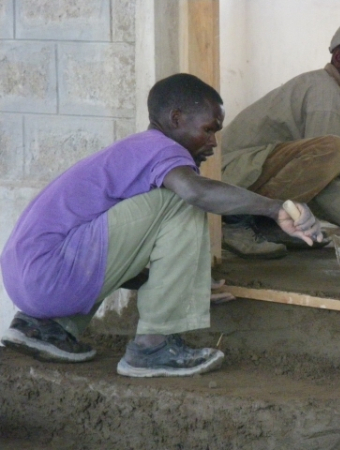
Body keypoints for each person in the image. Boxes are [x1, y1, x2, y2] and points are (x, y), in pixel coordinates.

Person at [0, 73, 322, 378]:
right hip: (51, 273)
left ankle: (47, 329)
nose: (213, 142)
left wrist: (184, 281)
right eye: (209, 129)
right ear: (176, 119)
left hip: (25, 282)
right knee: (184, 200)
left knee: (177, 199)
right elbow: (196, 192)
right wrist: (274, 208)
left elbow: (124, 253)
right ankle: (154, 347)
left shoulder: (137, 151)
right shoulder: (161, 148)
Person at [220, 18, 340, 259]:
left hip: (244, 173)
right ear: (339, 58)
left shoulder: (328, 89)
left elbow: (320, 179)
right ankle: (235, 223)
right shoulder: (324, 94)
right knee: (332, 150)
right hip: (227, 182)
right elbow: (322, 182)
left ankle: (269, 225)